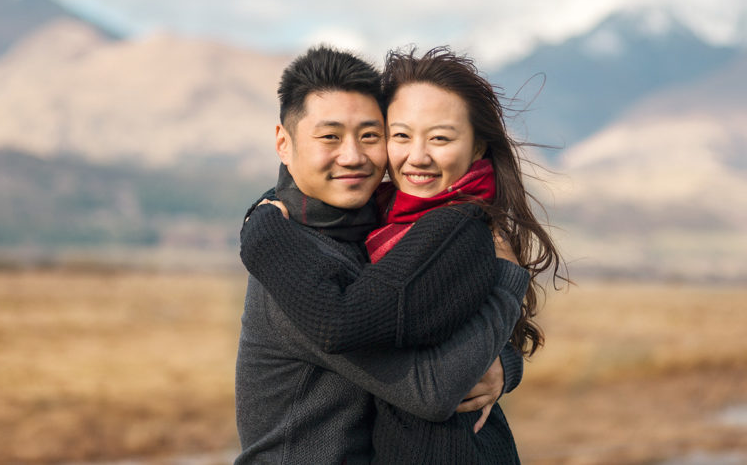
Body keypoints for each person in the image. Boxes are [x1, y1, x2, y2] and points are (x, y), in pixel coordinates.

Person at [241, 46, 563, 463]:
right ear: (284, 144)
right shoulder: (293, 263)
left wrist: (503, 364)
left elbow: (431, 320)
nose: (353, 156)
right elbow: (430, 389)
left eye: (371, 135)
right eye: (329, 136)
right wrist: (259, 226)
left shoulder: (377, 227)